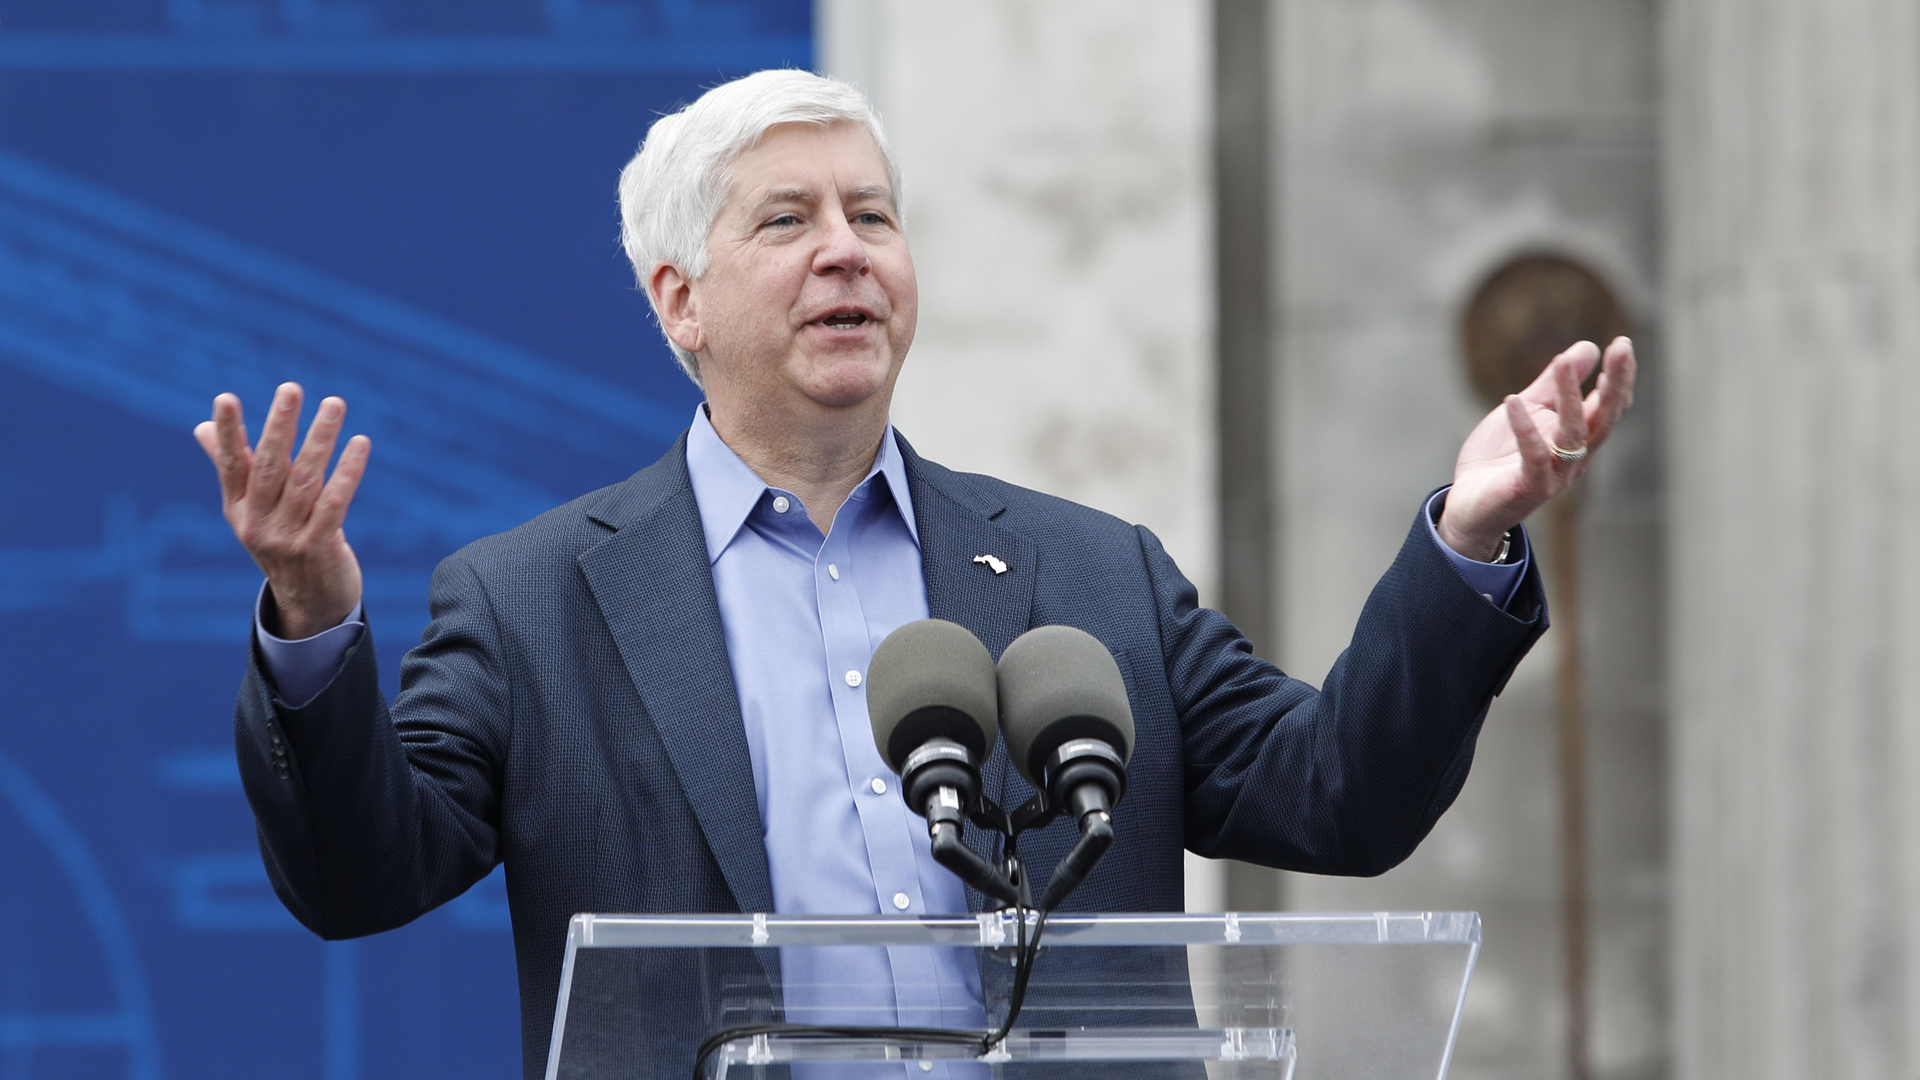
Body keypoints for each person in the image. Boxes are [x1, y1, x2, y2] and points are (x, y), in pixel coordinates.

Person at [194, 70, 1634, 1078]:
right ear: (677, 302)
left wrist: (1469, 536)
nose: (849, 255)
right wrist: (316, 621)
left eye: (873, 217)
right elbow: (358, 878)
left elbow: (1341, 795)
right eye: (790, 221)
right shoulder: (531, 603)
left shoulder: (1088, 575)